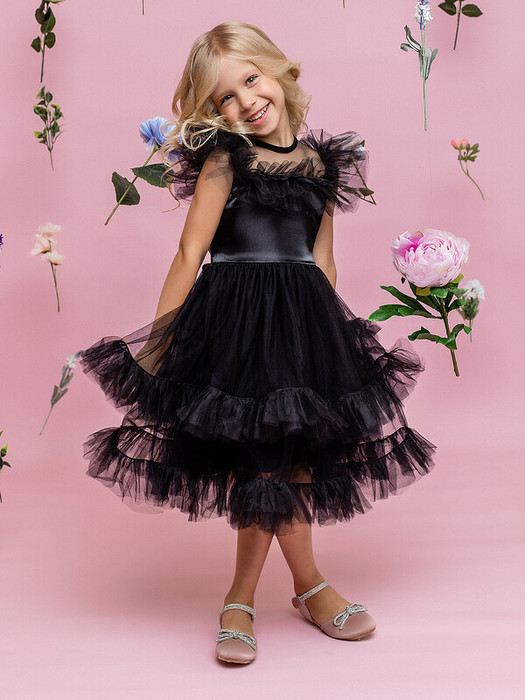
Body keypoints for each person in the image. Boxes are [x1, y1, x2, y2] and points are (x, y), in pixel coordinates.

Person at [79, 21, 437, 665]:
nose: (245, 100)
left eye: (251, 79)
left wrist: (330, 346)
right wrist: (160, 346)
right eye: (225, 96)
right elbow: (190, 252)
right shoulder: (226, 160)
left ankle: (283, 592)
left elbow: (322, 261)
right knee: (263, 463)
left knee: (293, 462)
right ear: (214, 110)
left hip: (303, 328)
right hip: (236, 328)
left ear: (281, 72)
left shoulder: (322, 165)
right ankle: (272, 592)